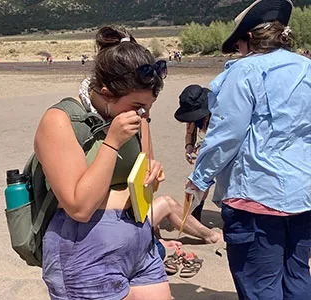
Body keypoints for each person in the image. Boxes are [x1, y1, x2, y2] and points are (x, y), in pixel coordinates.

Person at [186, 0, 311, 298]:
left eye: (238, 44)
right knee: (297, 276)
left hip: (256, 195)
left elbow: (226, 134)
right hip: (303, 194)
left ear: (249, 39)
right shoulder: (306, 68)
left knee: (259, 284)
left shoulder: (244, 71)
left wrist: (199, 179)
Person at [35, 26, 171, 299]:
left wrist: (152, 174)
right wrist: (111, 142)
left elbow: (143, 183)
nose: (143, 114)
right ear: (107, 93)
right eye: (137, 106)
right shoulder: (60, 121)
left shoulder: (137, 118)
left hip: (139, 242)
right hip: (85, 250)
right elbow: (80, 207)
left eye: (148, 107)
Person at [174, 84, 211, 222]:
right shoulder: (193, 113)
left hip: (226, 148)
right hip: (208, 146)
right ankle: (195, 215)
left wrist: (205, 148)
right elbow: (190, 132)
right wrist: (189, 146)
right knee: (199, 182)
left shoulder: (219, 113)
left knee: (203, 180)